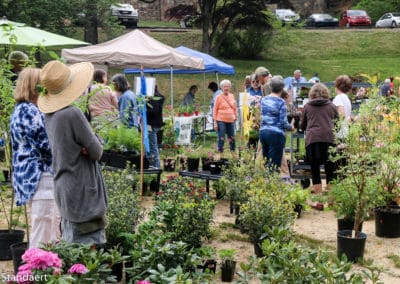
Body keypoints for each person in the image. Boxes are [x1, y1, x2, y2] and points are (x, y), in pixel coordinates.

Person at [38, 60, 107, 245]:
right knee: (88, 251)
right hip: (82, 188)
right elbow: (97, 151)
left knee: (71, 242)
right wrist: (93, 142)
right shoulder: (72, 114)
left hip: (64, 186)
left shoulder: (50, 115)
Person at [10, 68, 60, 248]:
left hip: (32, 176)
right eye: (42, 83)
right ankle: (35, 272)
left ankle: (46, 270)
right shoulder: (29, 111)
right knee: (44, 228)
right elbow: (45, 146)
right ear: (34, 86)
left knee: (48, 226)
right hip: (39, 175)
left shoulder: (21, 110)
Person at [300, 83, 339, 194]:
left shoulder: (307, 106)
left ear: (311, 93)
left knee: (315, 170)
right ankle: (331, 200)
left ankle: (319, 200)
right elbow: (338, 124)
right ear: (326, 93)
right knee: (331, 170)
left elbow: (302, 126)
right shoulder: (331, 106)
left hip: (313, 140)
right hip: (329, 140)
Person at [259, 76, 294, 172]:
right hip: (275, 134)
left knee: (266, 163)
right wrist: (291, 127)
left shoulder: (264, 99)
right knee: (274, 166)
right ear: (282, 88)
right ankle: (272, 184)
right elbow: (283, 122)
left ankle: (266, 184)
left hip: (263, 133)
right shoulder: (281, 102)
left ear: (270, 87)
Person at [213, 79, 237, 155]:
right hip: (221, 120)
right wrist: (215, 123)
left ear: (230, 87)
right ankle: (220, 153)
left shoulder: (232, 96)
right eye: (224, 86)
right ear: (221, 87)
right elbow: (215, 110)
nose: (226, 88)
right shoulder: (218, 97)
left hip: (231, 120)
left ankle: (233, 153)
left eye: (228, 86)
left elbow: (235, 107)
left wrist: (235, 116)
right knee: (221, 137)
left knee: (232, 137)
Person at [147, 85, 165, 168]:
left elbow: (153, 111)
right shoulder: (158, 97)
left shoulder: (153, 99)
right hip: (156, 123)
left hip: (152, 124)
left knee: (153, 145)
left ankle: (155, 165)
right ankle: (153, 163)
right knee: (153, 145)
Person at [333, 75, 352, 140]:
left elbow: (341, 114)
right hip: (346, 132)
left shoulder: (338, 98)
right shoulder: (346, 98)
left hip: (339, 134)